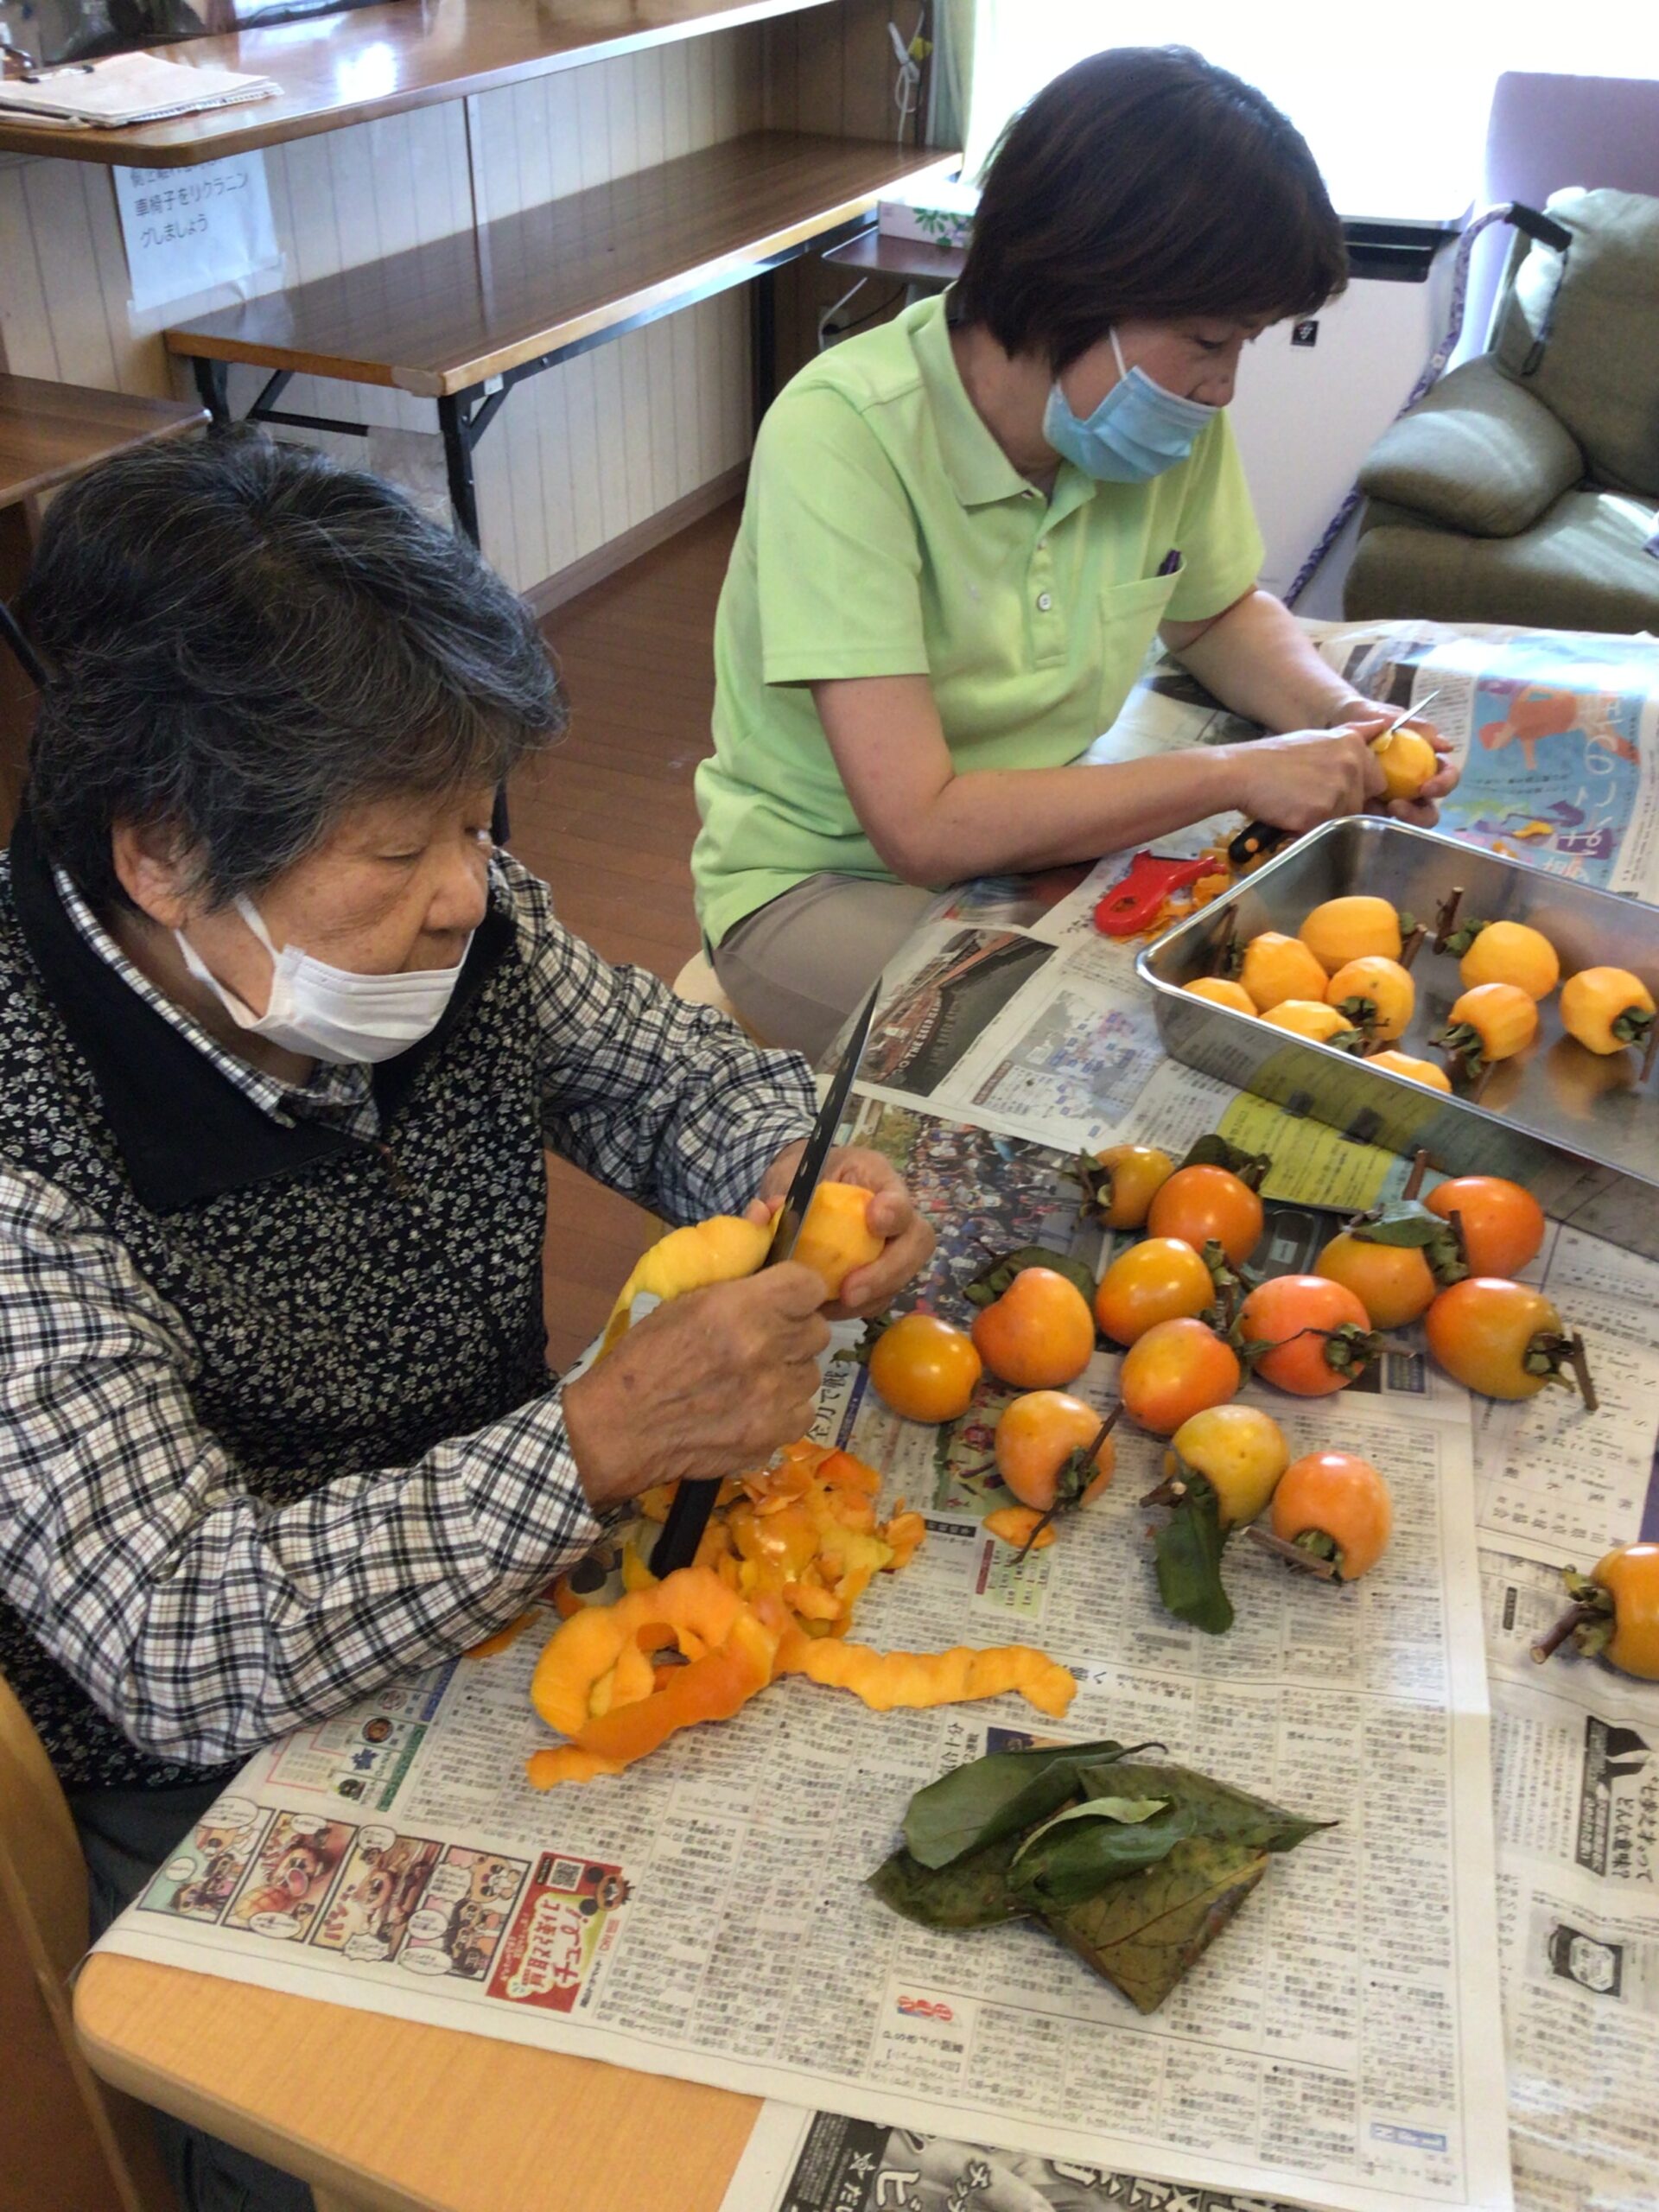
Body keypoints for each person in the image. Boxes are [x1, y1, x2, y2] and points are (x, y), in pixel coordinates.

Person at [0, 432, 931, 2210]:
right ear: (167, 852)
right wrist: (600, 1438)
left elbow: (673, 1075)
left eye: (476, 820)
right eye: (398, 848)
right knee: (375, 2143)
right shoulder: (24, 1129)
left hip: (497, 1585)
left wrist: (800, 1170)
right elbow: (176, 1631)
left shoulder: (452, 928)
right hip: (211, 1746)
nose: (465, 889)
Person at [693, 44, 1459, 1058]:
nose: (1225, 384)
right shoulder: (845, 436)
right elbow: (920, 826)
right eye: (1210, 341)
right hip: (826, 883)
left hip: (1038, 842)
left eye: (1244, 344)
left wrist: (1337, 716)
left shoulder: (1156, 420)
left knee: (1247, 982)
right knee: (1127, 1043)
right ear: (1075, 284)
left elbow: (1218, 616)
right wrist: (1238, 771)